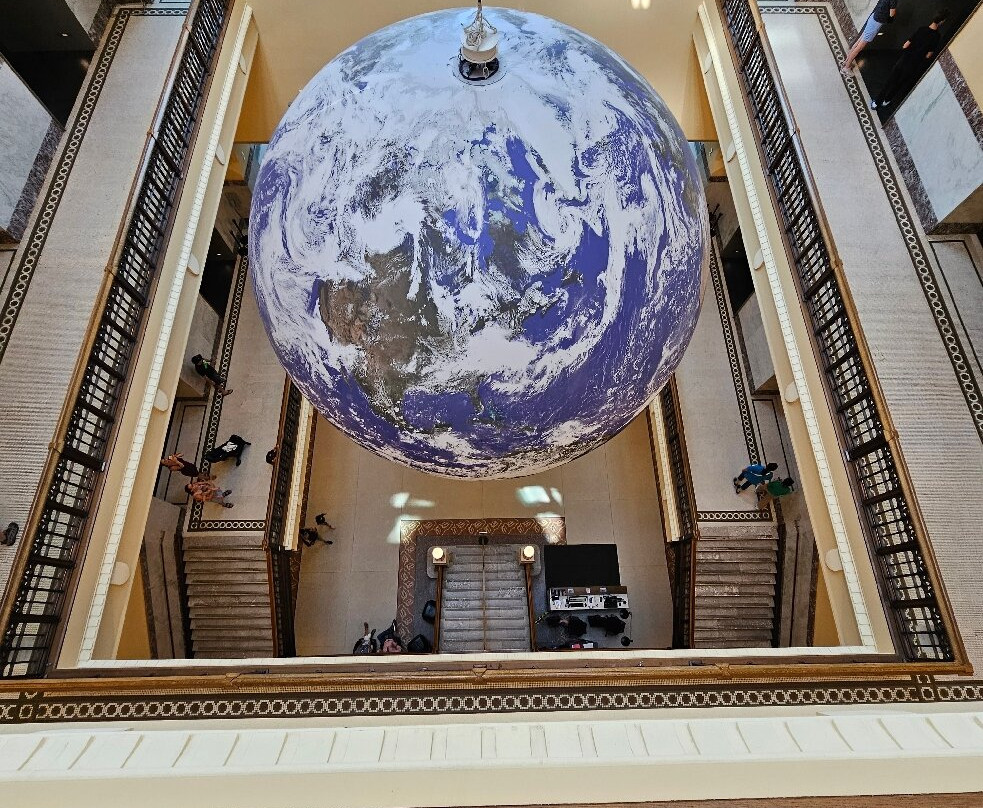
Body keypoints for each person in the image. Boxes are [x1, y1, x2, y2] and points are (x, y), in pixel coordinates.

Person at [871, 10, 947, 109]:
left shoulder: (921, 29)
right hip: (914, 64)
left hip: (904, 59)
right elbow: (928, 55)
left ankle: (876, 102)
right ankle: (887, 100)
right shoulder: (937, 36)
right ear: (942, 21)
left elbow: (905, 45)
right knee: (899, 83)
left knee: (890, 81)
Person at [841, 0, 898, 73]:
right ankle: (846, 68)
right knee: (859, 47)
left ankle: (846, 61)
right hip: (876, 23)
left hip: (873, 17)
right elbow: (892, 13)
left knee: (859, 41)